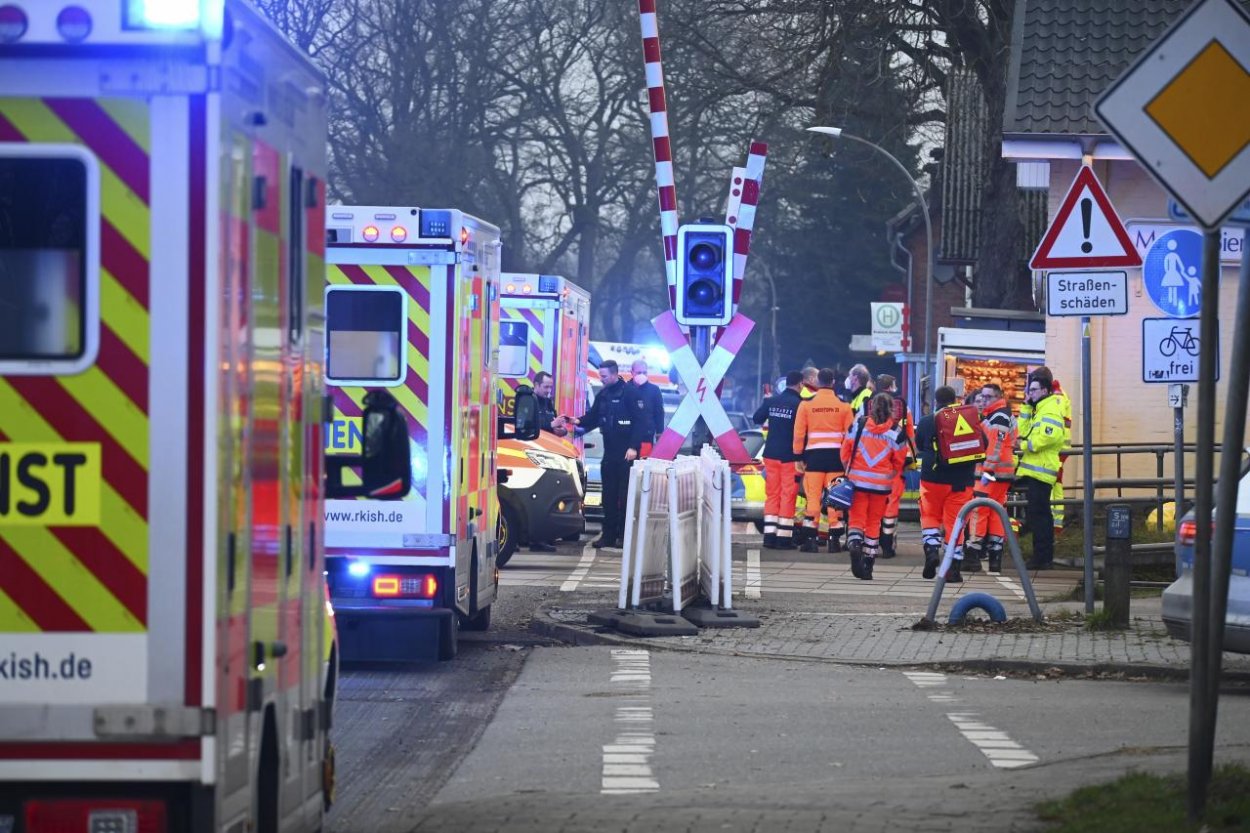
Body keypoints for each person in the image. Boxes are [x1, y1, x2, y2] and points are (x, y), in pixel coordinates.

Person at [573, 360, 643, 549]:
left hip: (627, 454)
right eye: (600, 375)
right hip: (610, 454)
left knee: (625, 496)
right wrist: (577, 420)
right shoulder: (603, 395)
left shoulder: (630, 393)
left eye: (603, 376)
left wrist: (633, 447)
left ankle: (623, 535)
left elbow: (640, 422)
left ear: (614, 374)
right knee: (608, 496)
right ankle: (609, 535)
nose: (601, 379)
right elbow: (594, 417)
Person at [842, 392, 910, 580]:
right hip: (881, 486)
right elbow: (900, 461)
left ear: (871, 406)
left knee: (856, 519)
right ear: (892, 409)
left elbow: (845, 451)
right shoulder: (897, 432)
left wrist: (848, 469)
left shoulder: (858, 424)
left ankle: (855, 544)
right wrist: (890, 475)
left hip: (857, 482)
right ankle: (868, 561)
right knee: (874, 522)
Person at [916, 385, 978, 582]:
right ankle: (953, 568)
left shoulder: (927, 422)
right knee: (955, 523)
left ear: (936, 401)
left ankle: (932, 549)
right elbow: (981, 442)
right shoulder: (967, 420)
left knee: (929, 515)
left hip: (932, 479)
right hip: (961, 481)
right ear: (956, 400)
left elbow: (919, 444)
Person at [792, 367, 854, 553]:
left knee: (812, 499)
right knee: (835, 499)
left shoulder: (806, 405)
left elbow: (799, 433)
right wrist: (847, 461)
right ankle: (834, 542)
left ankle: (810, 540)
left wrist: (798, 456)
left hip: (814, 459)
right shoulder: (844, 406)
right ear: (833, 382)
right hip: (836, 459)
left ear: (818, 382)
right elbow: (850, 437)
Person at [1016, 368, 1067, 570]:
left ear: (1045, 390)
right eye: (1030, 390)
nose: (1031, 393)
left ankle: (1042, 558)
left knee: (1041, 517)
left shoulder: (1050, 408)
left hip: (1042, 470)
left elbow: (1050, 436)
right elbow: (1022, 430)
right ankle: (1040, 556)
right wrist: (1027, 406)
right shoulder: (1039, 408)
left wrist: (1025, 445)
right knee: (1037, 514)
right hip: (1035, 470)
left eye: (1035, 390)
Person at [967, 383, 1017, 573]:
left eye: (988, 397)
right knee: (996, 513)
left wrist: (987, 471)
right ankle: (995, 557)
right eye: (983, 396)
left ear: (998, 397)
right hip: (1001, 474)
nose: (984, 400)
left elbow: (994, 447)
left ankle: (973, 553)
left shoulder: (997, 417)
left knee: (979, 512)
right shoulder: (1003, 414)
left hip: (990, 474)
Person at [752, 370, 804, 549]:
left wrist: (768, 406)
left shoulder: (772, 401)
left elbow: (757, 418)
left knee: (772, 495)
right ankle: (783, 538)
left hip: (771, 455)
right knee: (788, 495)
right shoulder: (799, 404)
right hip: (790, 457)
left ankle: (769, 537)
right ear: (800, 384)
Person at [874, 374, 916, 558]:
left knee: (873, 505)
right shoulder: (902, 407)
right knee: (891, 504)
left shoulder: (869, 404)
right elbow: (909, 435)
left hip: (871, 462)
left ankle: (871, 542)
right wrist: (912, 459)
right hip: (895, 462)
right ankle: (888, 543)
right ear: (892, 386)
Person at [630, 359, 665, 455]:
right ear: (632, 373)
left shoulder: (654, 390)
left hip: (646, 435)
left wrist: (659, 432)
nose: (642, 375)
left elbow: (659, 412)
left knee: (643, 466)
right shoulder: (625, 389)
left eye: (644, 372)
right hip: (627, 437)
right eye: (639, 372)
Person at [532, 371, 569, 437]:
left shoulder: (548, 401)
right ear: (536, 385)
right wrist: (551, 425)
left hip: (549, 442)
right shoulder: (527, 400)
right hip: (534, 444)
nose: (549, 390)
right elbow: (526, 425)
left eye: (550, 387)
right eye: (546, 387)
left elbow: (555, 421)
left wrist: (562, 430)